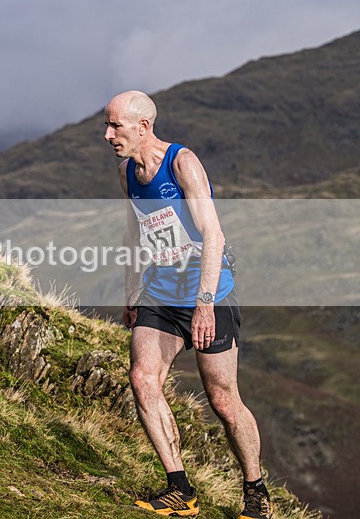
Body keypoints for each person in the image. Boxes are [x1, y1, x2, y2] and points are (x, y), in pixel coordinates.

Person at [104, 90, 272, 519]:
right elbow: (133, 233)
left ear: (143, 127)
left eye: (115, 126)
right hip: (160, 294)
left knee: (223, 399)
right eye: (107, 126)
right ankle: (180, 488)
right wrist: (131, 291)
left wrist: (204, 305)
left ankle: (255, 490)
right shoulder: (127, 173)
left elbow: (213, 236)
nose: (108, 135)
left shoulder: (182, 164)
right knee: (143, 379)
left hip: (208, 292)